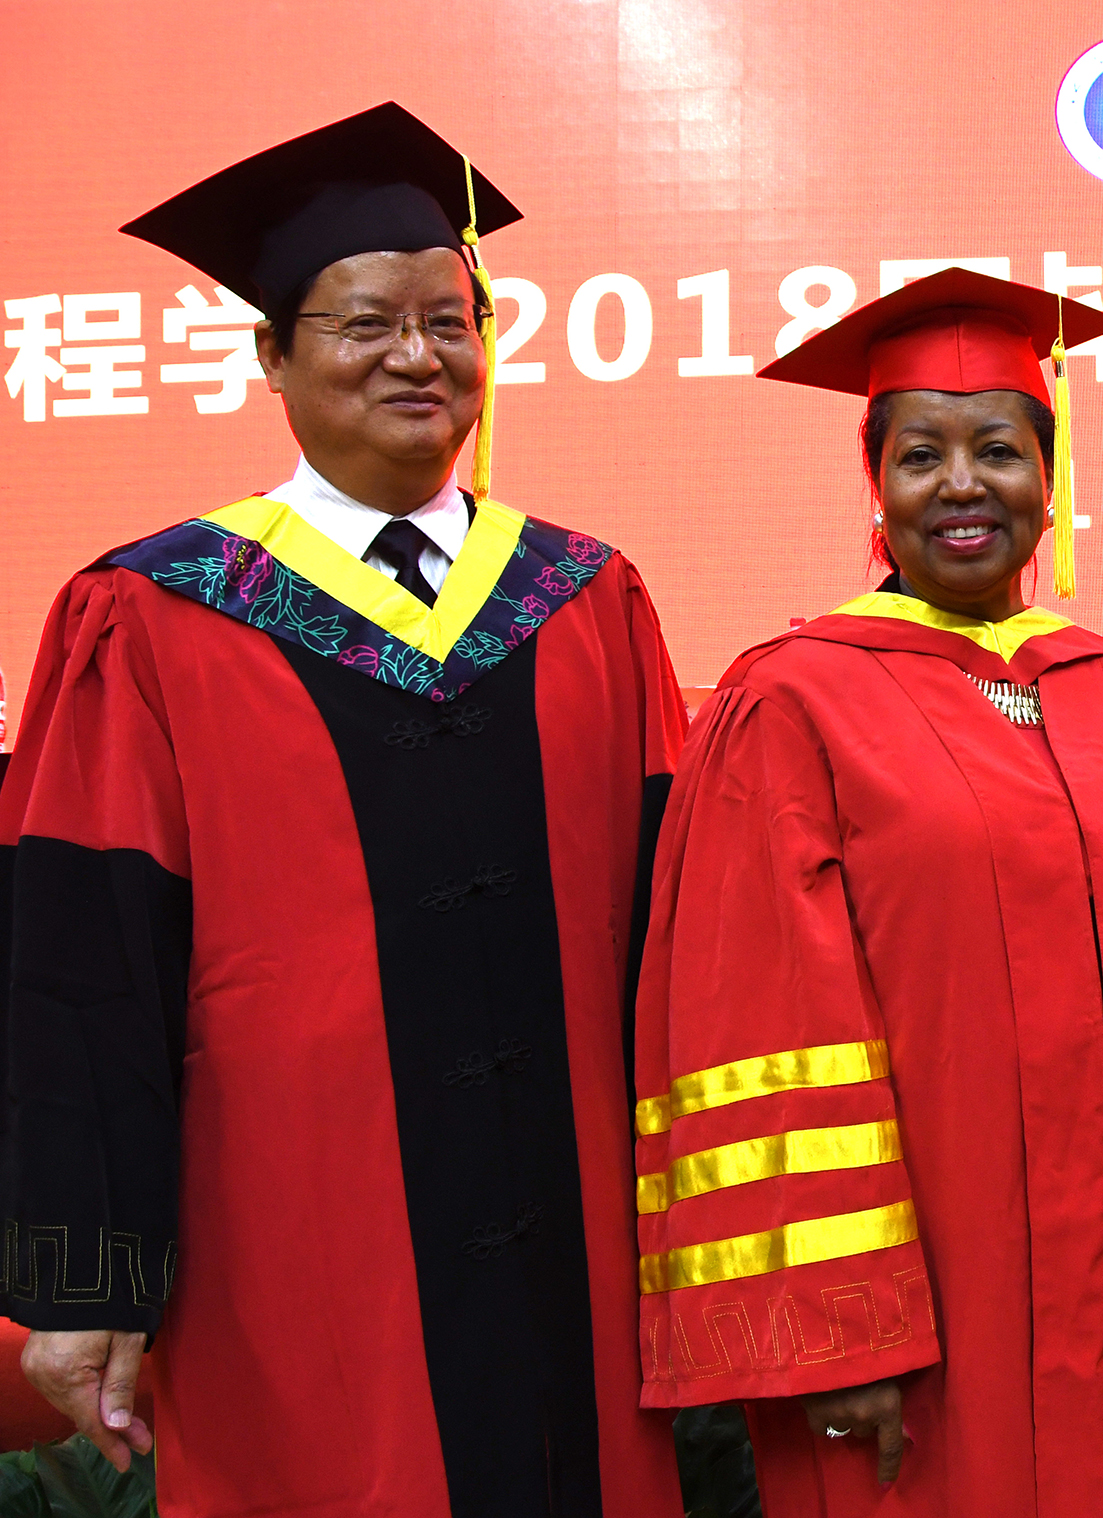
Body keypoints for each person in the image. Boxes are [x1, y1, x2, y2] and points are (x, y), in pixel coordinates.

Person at [0, 103, 686, 1514]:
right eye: (367, 323)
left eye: (451, 320)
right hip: (295, 1254)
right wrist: (82, 1277)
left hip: (585, 1259)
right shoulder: (154, 614)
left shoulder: (587, 598)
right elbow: (80, 966)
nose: (418, 355)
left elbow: (679, 943)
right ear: (272, 354)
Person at [631, 268, 1103, 1517]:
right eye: (919, 453)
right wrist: (833, 1324)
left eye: (998, 450)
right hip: (931, 1318)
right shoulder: (793, 700)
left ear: (1049, 483)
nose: (960, 484)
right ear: (875, 484)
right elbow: (761, 1031)